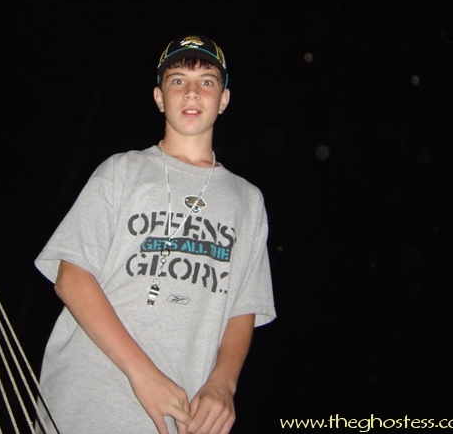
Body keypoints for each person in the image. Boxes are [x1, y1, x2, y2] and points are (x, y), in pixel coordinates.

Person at [34, 35, 276, 434]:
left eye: (207, 81)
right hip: (86, 398)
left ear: (224, 99)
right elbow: (71, 278)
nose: (192, 92)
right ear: (159, 98)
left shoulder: (247, 200)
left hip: (182, 414)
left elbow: (243, 307)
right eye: (178, 80)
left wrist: (223, 383)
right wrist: (142, 374)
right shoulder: (121, 171)